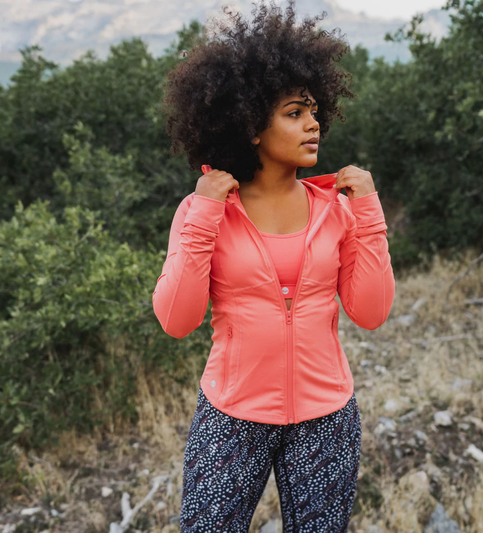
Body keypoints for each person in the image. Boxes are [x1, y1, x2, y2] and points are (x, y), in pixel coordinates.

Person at [152, 0, 395, 531]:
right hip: (232, 413)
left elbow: (372, 312)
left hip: (327, 416)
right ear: (251, 127)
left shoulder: (337, 208)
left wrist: (369, 213)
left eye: (314, 110)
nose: (314, 123)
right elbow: (176, 320)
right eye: (294, 112)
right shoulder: (203, 211)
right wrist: (204, 214)